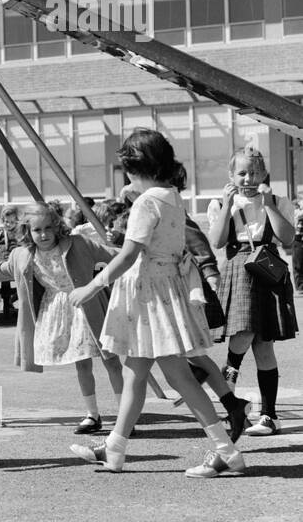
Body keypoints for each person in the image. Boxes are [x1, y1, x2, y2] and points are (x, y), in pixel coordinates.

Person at [68, 129, 244, 478]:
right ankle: (115, 449)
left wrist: (92, 285)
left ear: (135, 167)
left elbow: (131, 254)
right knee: (142, 375)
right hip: (164, 292)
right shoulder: (171, 196)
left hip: (147, 295)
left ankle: (227, 452)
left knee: (175, 378)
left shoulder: (148, 202)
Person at [0, 202, 124, 435]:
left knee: (111, 360)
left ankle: (124, 416)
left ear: (57, 227)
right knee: (81, 364)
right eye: (37, 230)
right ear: (27, 232)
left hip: (90, 306)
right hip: (60, 311)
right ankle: (92, 415)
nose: (43, 234)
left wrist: (123, 240)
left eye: (48, 228)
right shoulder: (22, 256)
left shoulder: (79, 244)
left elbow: (118, 256)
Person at [207, 146, 296, 436]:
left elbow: (288, 240)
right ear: (231, 175)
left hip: (268, 270)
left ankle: (268, 416)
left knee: (265, 347)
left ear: (264, 174)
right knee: (243, 332)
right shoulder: (221, 204)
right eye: (242, 173)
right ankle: (232, 400)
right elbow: (217, 241)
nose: (248, 178)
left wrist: (269, 204)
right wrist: (226, 204)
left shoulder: (278, 202)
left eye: (255, 172)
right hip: (238, 270)